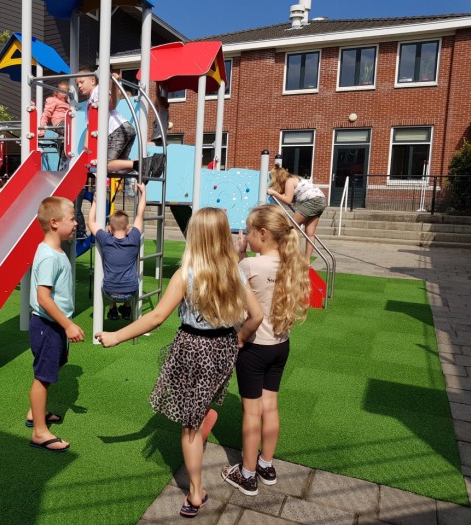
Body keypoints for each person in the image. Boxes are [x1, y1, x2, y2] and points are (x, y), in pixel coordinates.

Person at [96, 207, 263, 518]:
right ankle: (201, 430)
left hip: (192, 349)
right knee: (202, 407)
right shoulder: (236, 272)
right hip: (224, 348)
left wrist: (117, 336)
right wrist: (239, 338)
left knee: (189, 426)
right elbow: (257, 316)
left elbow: (157, 317)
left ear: (194, 237)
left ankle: (196, 491)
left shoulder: (186, 275)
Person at [221, 204, 310, 496]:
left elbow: (231, 291)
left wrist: (238, 255)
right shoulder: (290, 263)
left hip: (254, 347)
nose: (246, 235)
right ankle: (266, 465)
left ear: (262, 233)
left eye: (249, 231)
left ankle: (246, 474)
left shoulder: (247, 266)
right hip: (281, 345)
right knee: (271, 406)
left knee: (251, 412)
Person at [75, 68, 164, 237]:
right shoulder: (89, 103)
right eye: (77, 83)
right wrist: (88, 145)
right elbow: (90, 126)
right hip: (125, 130)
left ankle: (139, 163)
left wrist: (114, 85)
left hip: (118, 130)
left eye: (82, 82)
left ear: (93, 81)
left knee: (104, 166)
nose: (79, 86)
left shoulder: (97, 92)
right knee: (115, 170)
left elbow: (112, 103)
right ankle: (150, 162)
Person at [27, 196, 85, 452]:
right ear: (53, 223)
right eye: (71, 219)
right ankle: (39, 432)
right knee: (43, 376)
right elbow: (43, 297)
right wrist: (68, 325)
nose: (75, 223)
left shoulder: (55, 250)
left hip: (53, 325)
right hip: (47, 324)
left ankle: (34, 414)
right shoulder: (49, 256)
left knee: (55, 364)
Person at [88, 182, 146, 321]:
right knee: (130, 278)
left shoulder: (105, 239)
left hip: (110, 291)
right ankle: (126, 307)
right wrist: (143, 192)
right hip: (131, 292)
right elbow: (140, 214)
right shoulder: (133, 238)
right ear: (128, 228)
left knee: (108, 278)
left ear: (109, 228)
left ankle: (112, 308)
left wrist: (95, 203)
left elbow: (90, 222)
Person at [266, 164, 326, 262]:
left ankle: (289, 256)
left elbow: (288, 200)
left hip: (312, 201)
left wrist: (274, 193)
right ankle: (307, 260)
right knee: (310, 233)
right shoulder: (295, 179)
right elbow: (292, 199)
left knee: (290, 228)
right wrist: (280, 195)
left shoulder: (289, 182)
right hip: (321, 200)